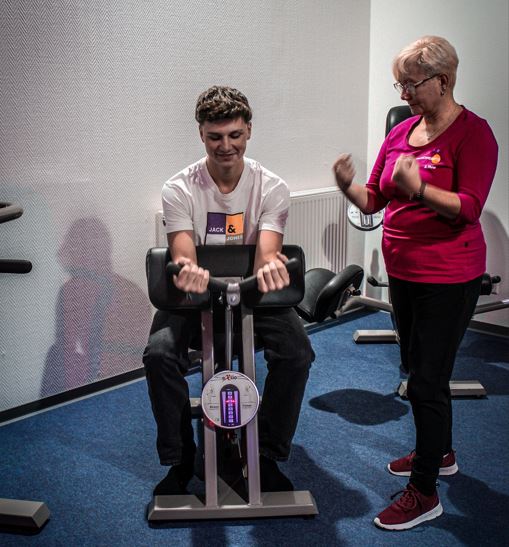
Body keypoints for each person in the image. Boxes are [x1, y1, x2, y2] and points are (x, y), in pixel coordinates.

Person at [333, 36, 498, 530]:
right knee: (415, 368)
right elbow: (373, 200)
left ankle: (425, 492)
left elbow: (469, 208)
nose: (403, 93)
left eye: (411, 83)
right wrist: (346, 185)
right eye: (399, 84)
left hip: (449, 276)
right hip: (402, 272)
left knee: (427, 381)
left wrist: (420, 188)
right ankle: (439, 452)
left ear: (443, 81)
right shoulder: (402, 131)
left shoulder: (474, 134)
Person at [143, 85, 315, 496]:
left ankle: (267, 454)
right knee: (159, 355)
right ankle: (180, 458)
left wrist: (270, 269)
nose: (226, 146)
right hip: (195, 298)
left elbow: (267, 254)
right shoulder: (179, 188)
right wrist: (188, 272)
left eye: (235, 135)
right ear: (201, 134)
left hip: (251, 294)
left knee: (297, 353)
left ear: (249, 131)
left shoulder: (271, 187)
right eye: (215, 137)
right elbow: (183, 254)